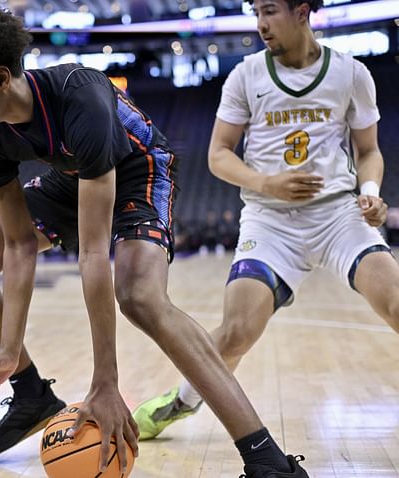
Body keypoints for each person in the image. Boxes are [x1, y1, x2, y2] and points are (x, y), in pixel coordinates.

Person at [0, 6, 309, 477]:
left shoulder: (78, 95)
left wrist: (105, 382)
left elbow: (93, 254)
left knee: (139, 296)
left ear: (2, 77)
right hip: (74, 177)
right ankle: (30, 394)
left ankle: (268, 461)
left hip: (139, 169)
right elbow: (18, 245)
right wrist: (8, 348)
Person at [133, 0, 399, 448]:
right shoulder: (246, 75)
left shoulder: (352, 73)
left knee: (395, 301)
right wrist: (266, 183)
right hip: (269, 219)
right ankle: (181, 401)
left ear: (301, 11)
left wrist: (370, 192)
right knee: (237, 331)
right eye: (256, 11)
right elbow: (218, 153)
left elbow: (368, 150)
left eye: (270, 11)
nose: (260, 24)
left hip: (337, 213)